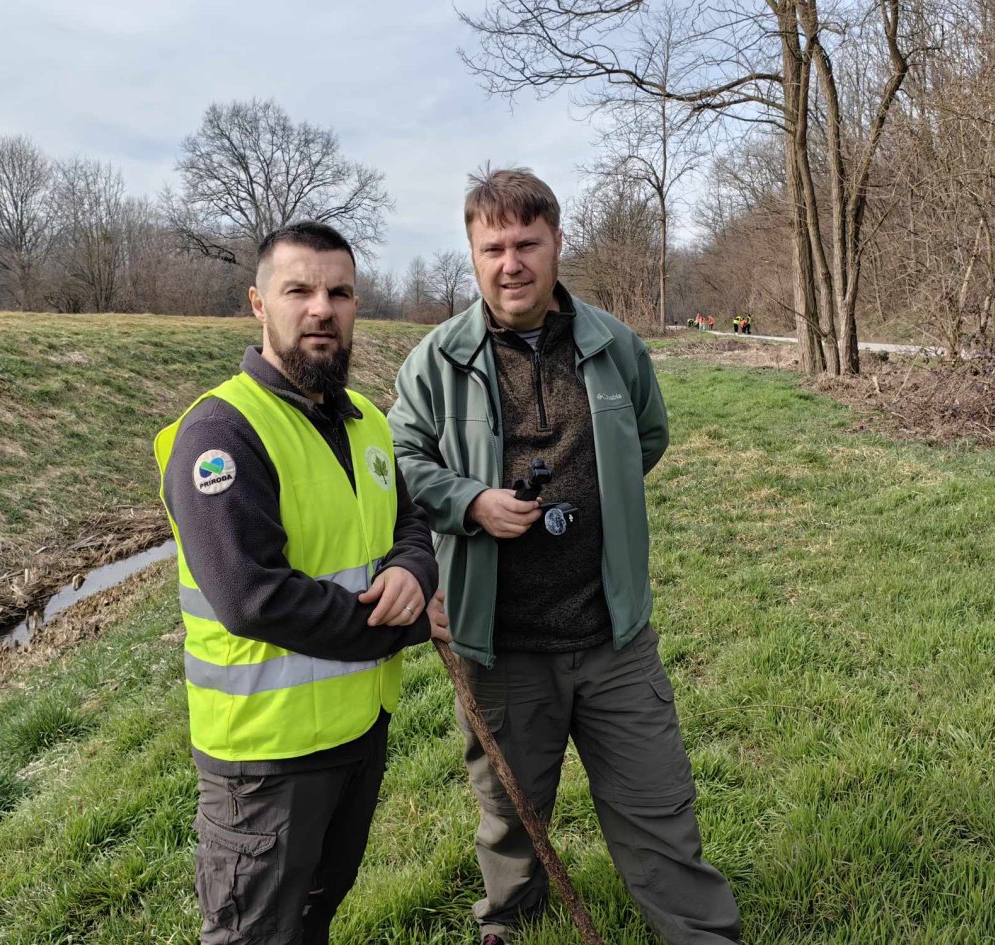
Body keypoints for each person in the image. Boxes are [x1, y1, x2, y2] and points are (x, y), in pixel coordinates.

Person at [389, 168, 740, 945]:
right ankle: (510, 922)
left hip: (613, 636)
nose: (510, 262)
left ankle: (698, 933)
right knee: (510, 812)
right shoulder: (437, 361)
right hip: (500, 640)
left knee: (658, 806)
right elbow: (400, 460)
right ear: (473, 255)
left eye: (526, 243)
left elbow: (648, 436)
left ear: (556, 243)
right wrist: (470, 502)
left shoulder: (614, 345)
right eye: (493, 247)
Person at [154, 221, 449, 945]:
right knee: (256, 931)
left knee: (316, 911)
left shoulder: (367, 424)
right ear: (260, 304)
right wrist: (404, 621)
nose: (322, 307)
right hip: (266, 760)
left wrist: (413, 567)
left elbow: (407, 521)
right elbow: (255, 596)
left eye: (339, 292)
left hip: (357, 728)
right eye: (299, 290)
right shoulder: (221, 433)